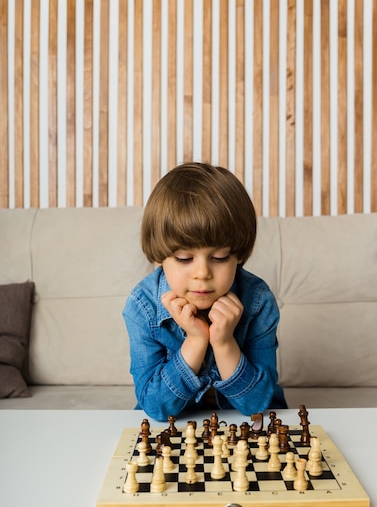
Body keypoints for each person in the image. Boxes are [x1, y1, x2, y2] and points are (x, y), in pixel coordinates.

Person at [123, 162, 287, 421]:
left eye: (220, 257)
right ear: (159, 258)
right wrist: (196, 340)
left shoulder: (258, 301)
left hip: (246, 429)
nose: (202, 273)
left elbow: (257, 405)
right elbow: (155, 407)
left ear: (239, 256)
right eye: (184, 258)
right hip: (174, 433)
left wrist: (223, 343)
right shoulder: (142, 305)